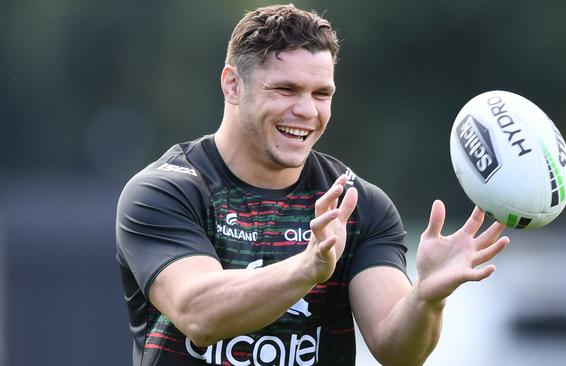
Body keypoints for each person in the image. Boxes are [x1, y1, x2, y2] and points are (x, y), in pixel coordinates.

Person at [116, 4, 509, 366]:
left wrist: (427, 298)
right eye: (285, 89)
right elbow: (197, 313)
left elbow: (397, 351)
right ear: (233, 85)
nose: (306, 111)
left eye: (322, 94)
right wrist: (308, 268)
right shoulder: (167, 191)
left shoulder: (358, 204)